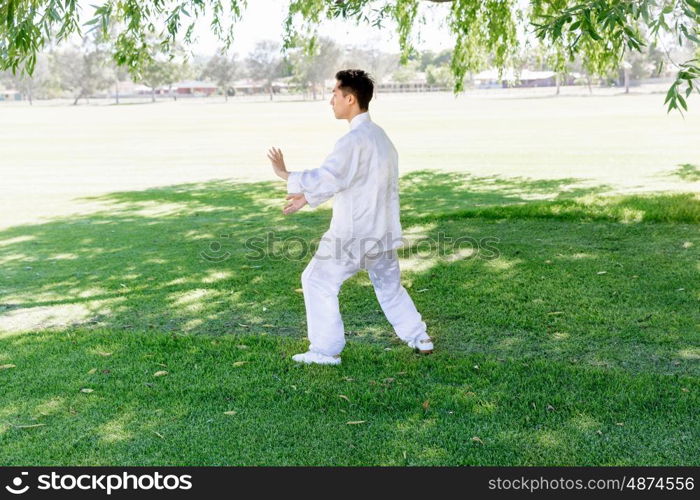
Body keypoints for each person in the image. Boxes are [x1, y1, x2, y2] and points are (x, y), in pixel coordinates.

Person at [267, 69, 433, 365]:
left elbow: (330, 176)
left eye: (335, 94)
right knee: (388, 287)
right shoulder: (382, 138)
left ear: (351, 98)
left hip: (353, 235)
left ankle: (324, 350)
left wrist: (286, 174)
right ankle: (420, 337)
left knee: (316, 280)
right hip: (381, 232)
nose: (331, 101)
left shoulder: (353, 141)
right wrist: (307, 197)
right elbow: (348, 180)